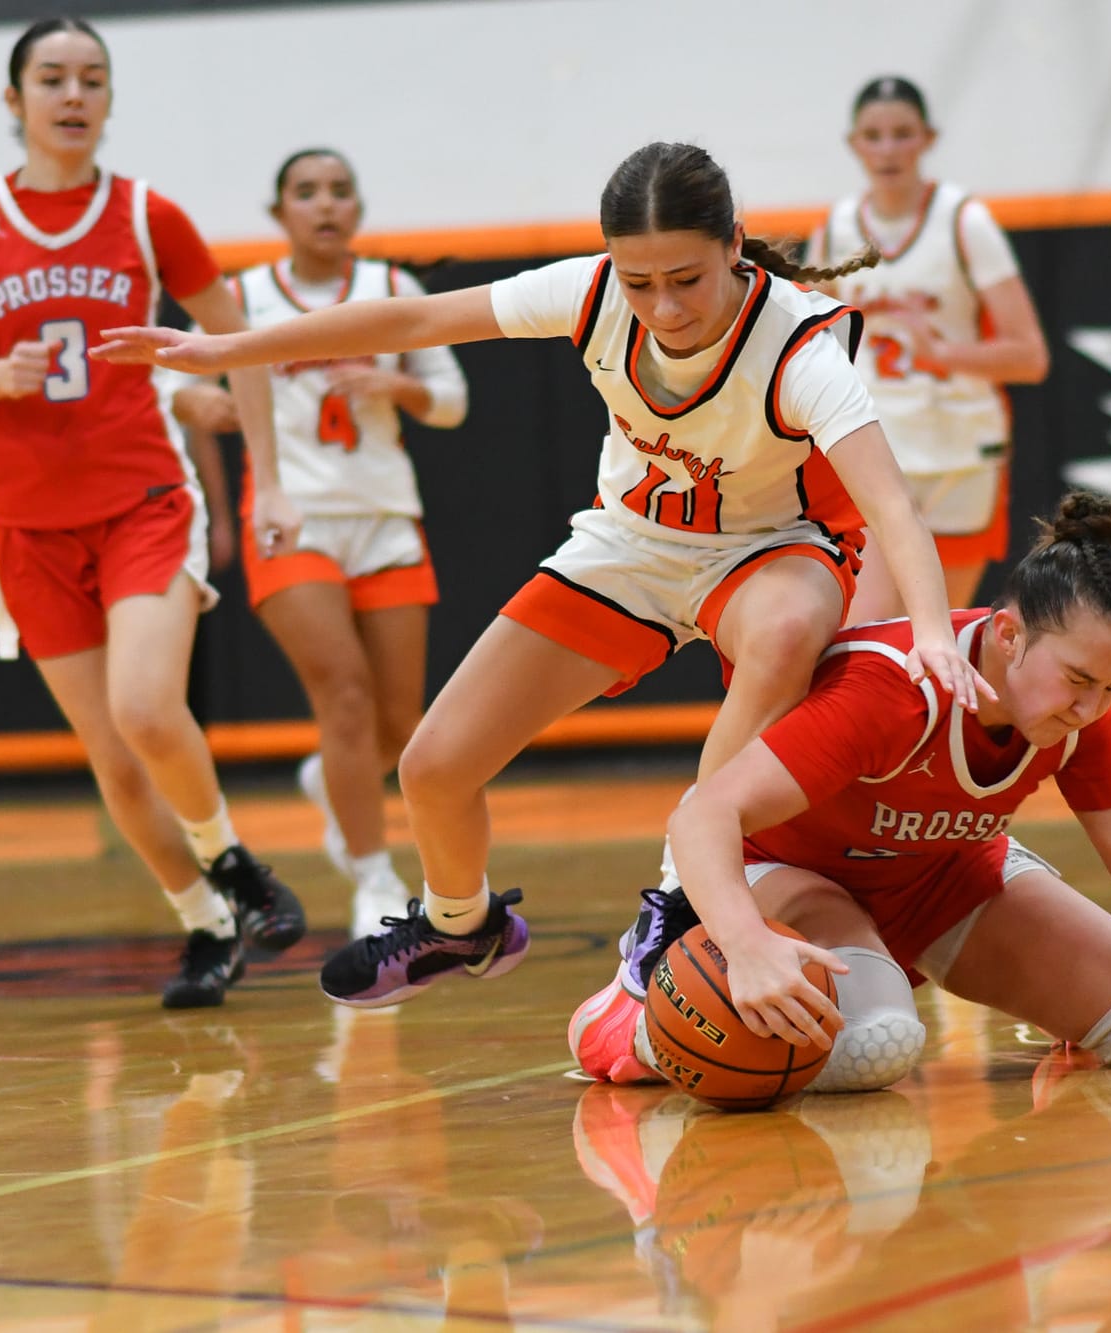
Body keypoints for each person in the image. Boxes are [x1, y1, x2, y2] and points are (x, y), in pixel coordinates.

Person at [95, 141, 989, 1009]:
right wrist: (227, 350)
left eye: (686, 279)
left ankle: (684, 897)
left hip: (773, 550)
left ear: (732, 246)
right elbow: (414, 321)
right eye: (639, 282)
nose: (664, 306)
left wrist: (938, 637)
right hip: (631, 543)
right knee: (434, 768)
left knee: (788, 628)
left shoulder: (798, 345)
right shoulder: (591, 293)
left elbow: (894, 509)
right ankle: (461, 925)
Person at [569, 491, 1111, 1091]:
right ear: (1006, 634)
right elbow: (702, 812)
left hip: (937, 876)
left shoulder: (1076, 714)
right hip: (791, 873)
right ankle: (635, 1014)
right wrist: (743, 943)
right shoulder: (892, 689)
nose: (1093, 706)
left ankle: (1006, 996)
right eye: (1079, 678)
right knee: (880, 1046)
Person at [0, 17, 305, 1009]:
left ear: (110, 98)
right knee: (115, 764)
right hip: (23, 522)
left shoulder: (145, 216)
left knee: (144, 706)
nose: (72, 95)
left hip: (139, 498)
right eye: (51, 78)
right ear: (15, 101)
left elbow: (237, 342)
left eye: (91, 77)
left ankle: (232, 861)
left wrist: (270, 477)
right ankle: (205, 925)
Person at [162, 148, 467, 938]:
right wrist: (201, 399)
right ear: (280, 212)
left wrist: (395, 386)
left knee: (401, 727)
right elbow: (169, 377)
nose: (325, 205)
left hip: (386, 515)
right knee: (345, 694)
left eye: (340, 191)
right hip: (290, 514)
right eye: (307, 192)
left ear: (358, 210)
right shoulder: (241, 295)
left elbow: (453, 402)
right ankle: (373, 879)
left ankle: (332, 781)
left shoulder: (395, 289)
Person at [810, 76, 1050, 619]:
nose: (888, 149)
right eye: (874, 135)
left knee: (933, 637)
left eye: (902, 134)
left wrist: (942, 352)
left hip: (959, 454)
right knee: (863, 631)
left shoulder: (965, 222)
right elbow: (809, 347)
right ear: (855, 145)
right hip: (877, 446)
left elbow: (1030, 356)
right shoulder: (835, 228)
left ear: (927, 139)